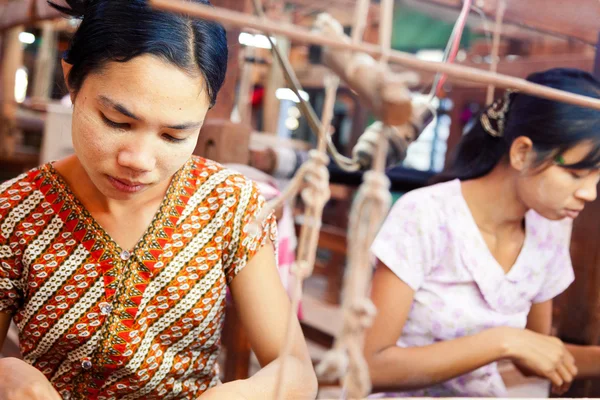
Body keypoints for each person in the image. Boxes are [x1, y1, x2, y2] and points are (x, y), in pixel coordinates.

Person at [0, 1, 317, 399]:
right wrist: (6, 374)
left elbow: (296, 371)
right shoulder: (14, 213)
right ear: (72, 80)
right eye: (117, 122)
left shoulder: (228, 205)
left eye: (174, 136)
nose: (139, 161)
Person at [365, 68, 600, 397]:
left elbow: (538, 355)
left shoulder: (550, 230)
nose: (590, 193)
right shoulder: (426, 214)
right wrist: (503, 342)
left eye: (597, 178)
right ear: (521, 153)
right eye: (577, 175)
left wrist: (519, 346)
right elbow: (370, 367)